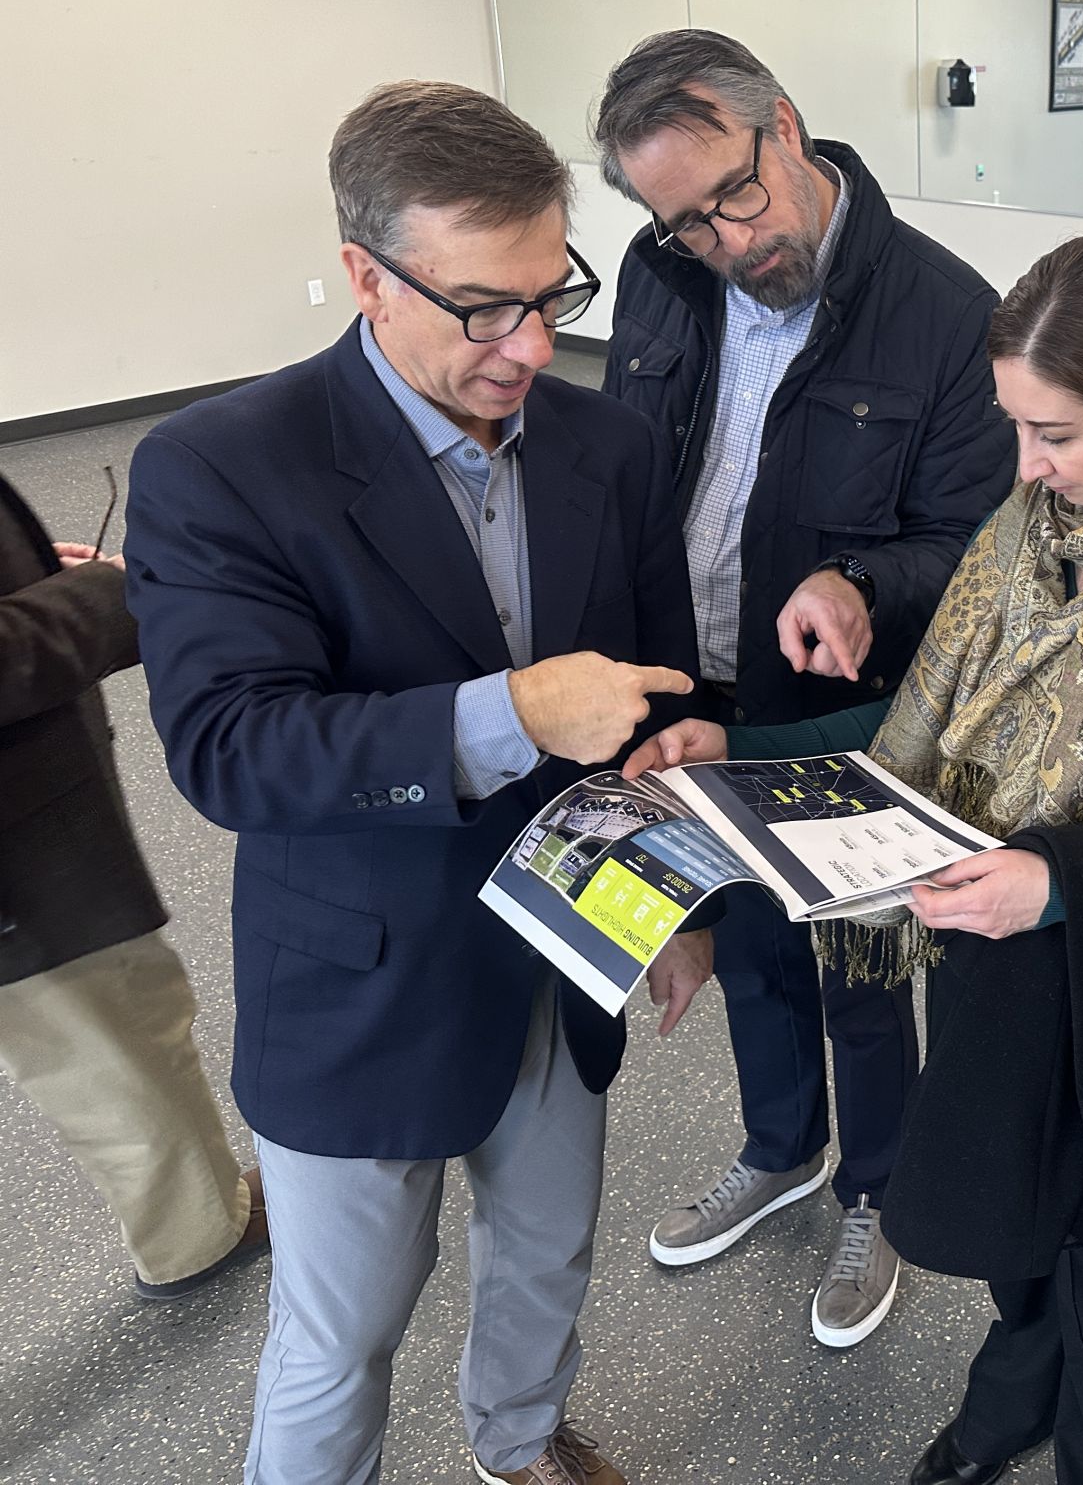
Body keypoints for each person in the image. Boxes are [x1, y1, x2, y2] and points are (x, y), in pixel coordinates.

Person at [624, 232, 1083, 1485]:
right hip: (992, 967)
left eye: (1055, 434)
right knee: (1021, 1231)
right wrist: (740, 745)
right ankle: (1014, 1403)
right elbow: (919, 741)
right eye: (1015, 428)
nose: (1027, 465)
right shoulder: (1023, 538)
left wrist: (1060, 887)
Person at [125, 81, 707, 1485]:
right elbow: (232, 748)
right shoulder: (220, 467)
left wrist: (676, 895)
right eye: (484, 309)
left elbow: (660, 697)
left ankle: (521, 1443)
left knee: (548, 1253)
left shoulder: (611, 446)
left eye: (552, 295)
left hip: (571, 948)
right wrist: (509, 712)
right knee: (340, 1338)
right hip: (365, 984)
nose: (531, 347)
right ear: (368, 276)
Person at [592, 28, 1014, 1347]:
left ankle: (877, 1188)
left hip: (839, 700)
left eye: (736, 194)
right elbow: (629, 467)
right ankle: (781, 1147)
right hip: (689, 680)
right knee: (750, 943)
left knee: (857, 963)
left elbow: (974, 544)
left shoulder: (946, 314)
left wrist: (859, 579)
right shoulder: (659, 274)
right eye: (683, 219)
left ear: (786, 124)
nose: (722, 239)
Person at [0, 470, 266, 1301]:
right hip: (19, 859)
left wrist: (28, 572)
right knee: (104, 1035)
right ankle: (197, 1237)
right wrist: (104, 597)